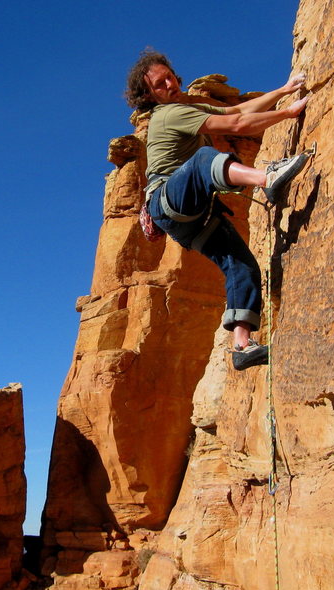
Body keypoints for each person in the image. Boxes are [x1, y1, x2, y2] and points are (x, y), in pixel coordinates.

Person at [125, 49, 310, 371]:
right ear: (150, 95)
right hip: (167, 201)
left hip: (191, 218)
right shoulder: (168, 114)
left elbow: (238, 109)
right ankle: (267, 178)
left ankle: (242, 345)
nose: (168, 84)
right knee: (202, 159)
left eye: (169, 75)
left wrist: (283, 91)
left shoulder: (189, 107)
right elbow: (236, 124)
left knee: (242, 265)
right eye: (158, 84)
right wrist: (287, 114)